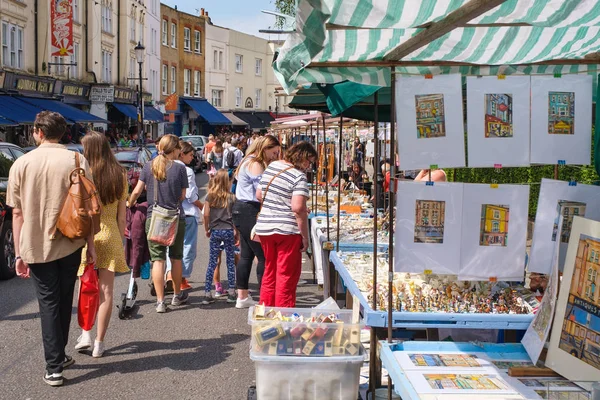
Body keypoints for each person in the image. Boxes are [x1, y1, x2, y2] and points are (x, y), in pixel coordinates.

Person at [7, 111, 97, 386]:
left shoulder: (21, 163)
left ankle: (54, 366)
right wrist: (91, 245)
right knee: (63, 297)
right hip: (71, 240)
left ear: (38, 131)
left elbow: (17, 214)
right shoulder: (76, 159)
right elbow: (89, 207)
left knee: (48, 303)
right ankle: (58, 356)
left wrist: (19, 254)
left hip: (35, 244)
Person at [74, 132, 128, 358]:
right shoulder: (120, 174)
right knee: (107, 291)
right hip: (111, 235)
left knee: (86, 287)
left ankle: (86, 332)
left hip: (88, 236)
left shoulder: (84, 175)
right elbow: (122, 217)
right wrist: (122, 242)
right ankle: (99, 343)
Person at [127, 134, 189, 313]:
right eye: (178, 148)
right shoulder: (180, 169)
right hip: (176, 218)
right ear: (175, 149)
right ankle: (177, 295)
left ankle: (160, 302)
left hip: (154, 218)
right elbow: (182, 196)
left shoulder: (149, 166)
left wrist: (129, 203)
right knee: (176, 258)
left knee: (158, 260)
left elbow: (137, 191)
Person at [254, 141, 317, 308]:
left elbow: (259, 194)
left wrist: (278, 202)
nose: (309, 166)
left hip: (266, 228)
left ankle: (265, 314)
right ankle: (283, 319)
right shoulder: (298, 176)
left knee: (270, 271)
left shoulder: (273, 167)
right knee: (286, 276)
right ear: (302, 157)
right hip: (287, 231)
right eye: (309, 161)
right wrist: (305, 237)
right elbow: (298, 208)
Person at [233, 135, 281, 308]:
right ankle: (265, 299)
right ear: (265, 148)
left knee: (247, 254)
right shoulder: (256, 163)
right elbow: (261, 191)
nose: (275, 156)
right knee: (263, 256)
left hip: (241, 209)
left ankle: (243, 297)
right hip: (250, 210)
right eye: (274, 152)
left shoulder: (247, 160)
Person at [164, 140, 203, 290]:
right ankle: (181, 279)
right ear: (182, 154)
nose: (192, 158)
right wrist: (203, 207)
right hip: (187, 214)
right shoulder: (187, 171)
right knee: (187, 248)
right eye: (191, 155)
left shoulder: (165, 167)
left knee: (170, 247)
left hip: (169, 212)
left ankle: (169, 275)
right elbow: (191, 196)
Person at [202, 169, 238, 304]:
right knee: (230, 261)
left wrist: (207, 228)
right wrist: (237, 232)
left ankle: (207, 293)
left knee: (212, 262)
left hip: (215, 231)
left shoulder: (209, 196)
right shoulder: (232, 197)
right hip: (228, 230)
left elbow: (205, 214)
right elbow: (234, 217)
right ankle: (232, 292)